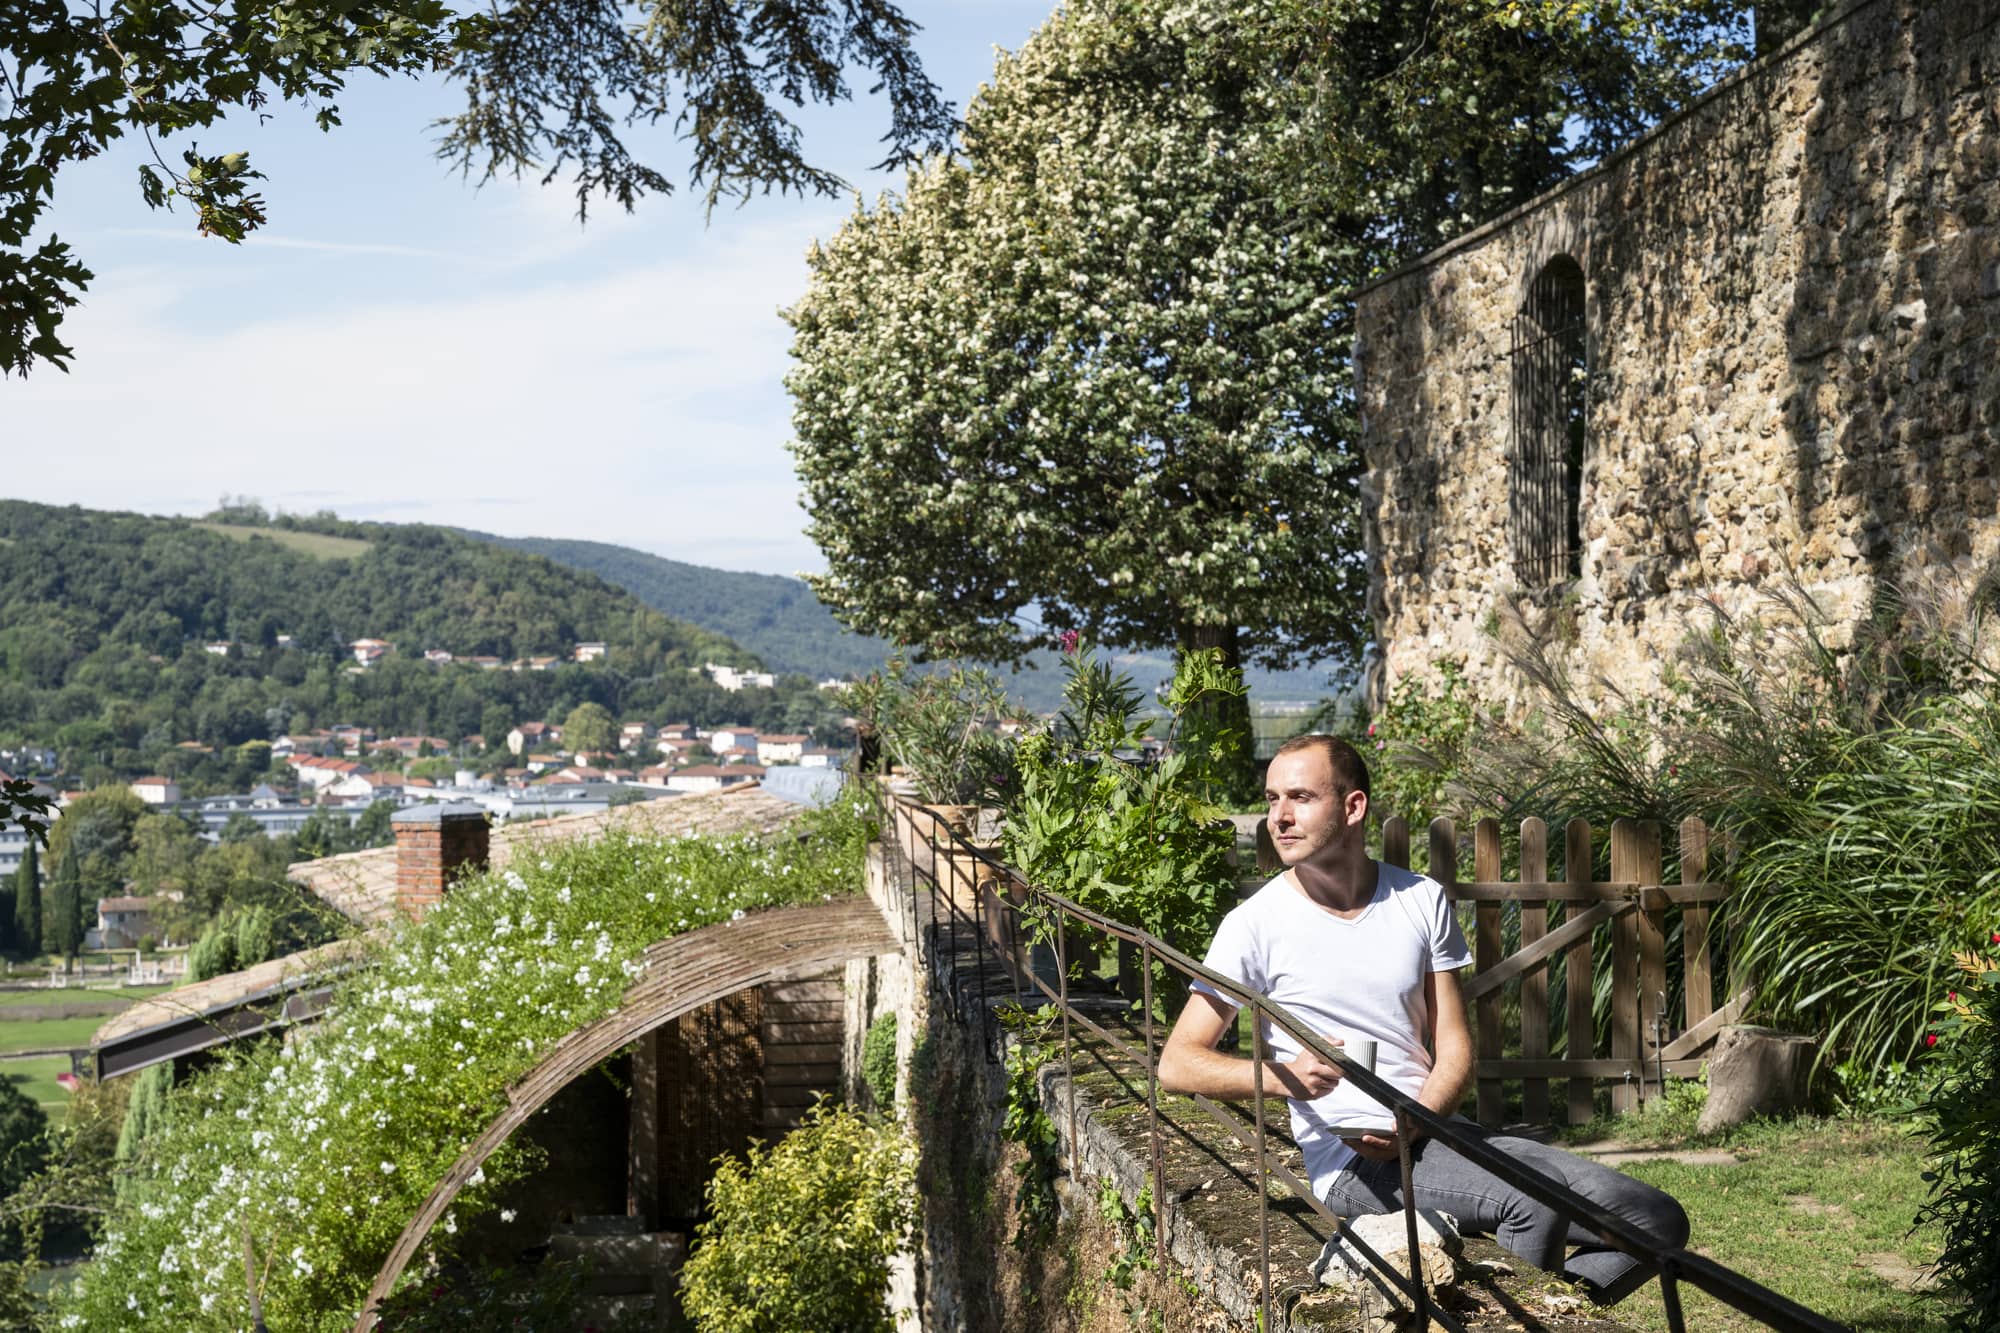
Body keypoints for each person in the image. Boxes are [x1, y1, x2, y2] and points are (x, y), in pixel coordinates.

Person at [1157, 733, 1688, 1305]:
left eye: (1301, 798)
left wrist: (1418, 1117)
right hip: (1354, 1164)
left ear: (1353, 807)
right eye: (1271, 800)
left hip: (1437, 1133)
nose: (1278, 818)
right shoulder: (1253, 924)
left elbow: (1456, 1046)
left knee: (1656, 1221)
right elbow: (1177, 1063)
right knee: (1530, 1201)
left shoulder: (1420, 898)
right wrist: (1283, 1076)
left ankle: (1553, 1312)